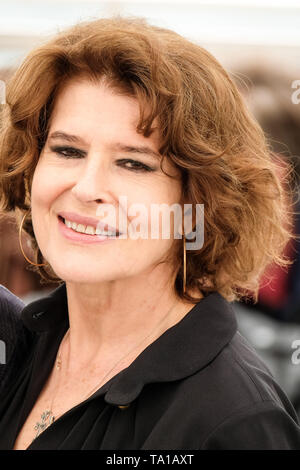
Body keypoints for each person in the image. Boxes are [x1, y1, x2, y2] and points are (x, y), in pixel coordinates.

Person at [0, 16, 300, 450]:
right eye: (67, 150)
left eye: (133, 163)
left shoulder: (231, 422)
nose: (86, 189)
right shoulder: (18, 345)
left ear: (199, 202)